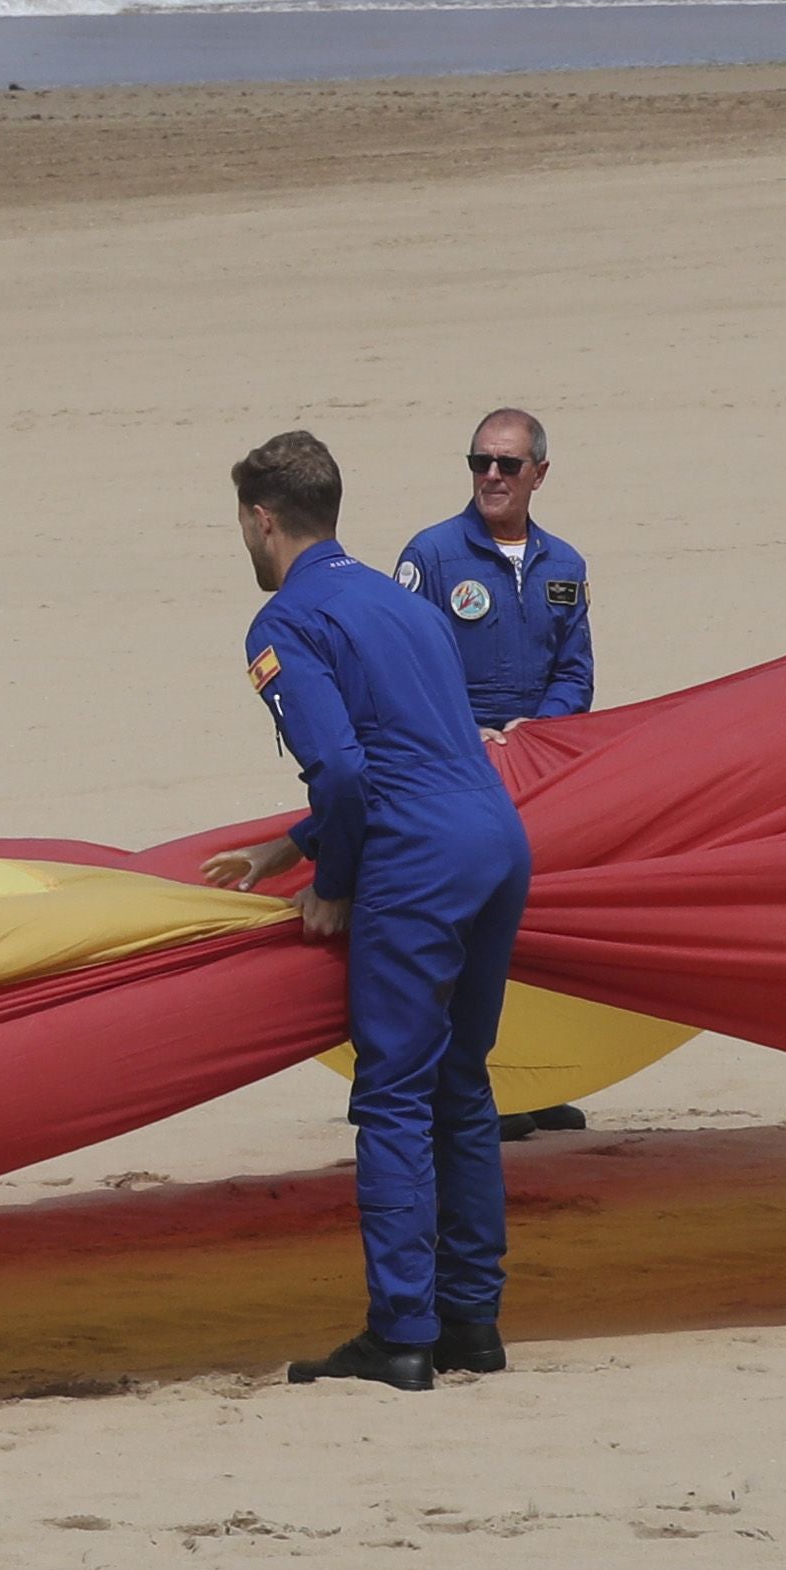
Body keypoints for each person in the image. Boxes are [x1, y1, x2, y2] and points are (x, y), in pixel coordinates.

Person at [194, 431, 534, 1394]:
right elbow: (413, 750)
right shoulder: (404, 601)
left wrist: (333, 878)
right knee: (462, 1086)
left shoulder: (284, 625)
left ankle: (400, 1337)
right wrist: (287, 847)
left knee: (392, 1095)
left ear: (264, 519)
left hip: (419, 864)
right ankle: (473, 1323)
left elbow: (345, 770)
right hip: (497, 842)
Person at [394, 410, 594, 740]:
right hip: (453, 753)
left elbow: (574, 672)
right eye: (480, 462)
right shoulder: (431, 556)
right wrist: (464, 732)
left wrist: (542, 725)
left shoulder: (564, 566)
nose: (491, 475)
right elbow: (401, 669)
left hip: (537, 750)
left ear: (539, 475)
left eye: (509, 465)